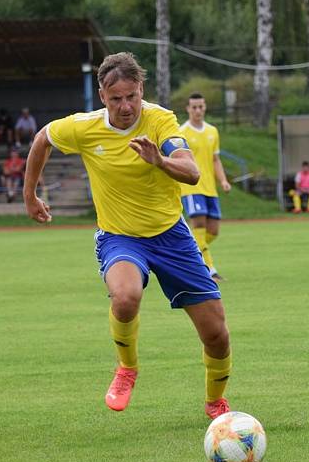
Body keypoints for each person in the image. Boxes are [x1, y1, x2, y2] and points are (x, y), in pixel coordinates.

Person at [23, 52, 232, 420]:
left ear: (141, 90)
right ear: (102, 96)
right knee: (125, 296)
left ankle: (216, 403)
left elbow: (191, 171)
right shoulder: (83, 127)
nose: (125, 106)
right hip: (120, 237)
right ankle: (127, 367)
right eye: (116, 98)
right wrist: (30, 196)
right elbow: (43, 139)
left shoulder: (160, 120)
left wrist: (161, 162)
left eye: (132, 97)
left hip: (172, 236)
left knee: (217, 333)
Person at [179, 93, 231, 282]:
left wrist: (223, 180)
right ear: (188, 109)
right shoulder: (181, 131)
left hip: (210, 188)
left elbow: (215, 160)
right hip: (191, 187)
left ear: (205, 107)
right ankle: (209, 269)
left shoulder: (212, 131)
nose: (198, 110)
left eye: (201, 106)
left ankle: (188, 253)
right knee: (199, 225)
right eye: (194, 107)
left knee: (213, 231)